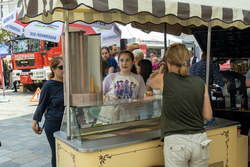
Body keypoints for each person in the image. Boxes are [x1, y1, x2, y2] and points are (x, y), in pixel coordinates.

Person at [149, 43, 212, 167]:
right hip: (200, 140)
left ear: (169, 61)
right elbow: (208, 116)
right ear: (188, 61)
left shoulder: (163, 79)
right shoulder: (200, 82)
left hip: (176, 141)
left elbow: (150, 83)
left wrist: (160, 70)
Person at [31, 56, 64, 167]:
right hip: (54, 123)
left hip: (69, 123)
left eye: (66, 67)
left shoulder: (70, 83)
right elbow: (41, 105)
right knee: (57, 153)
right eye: (61, 67)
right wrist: (35, 123)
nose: (64, 69)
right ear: (53, 69)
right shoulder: (49, 85)